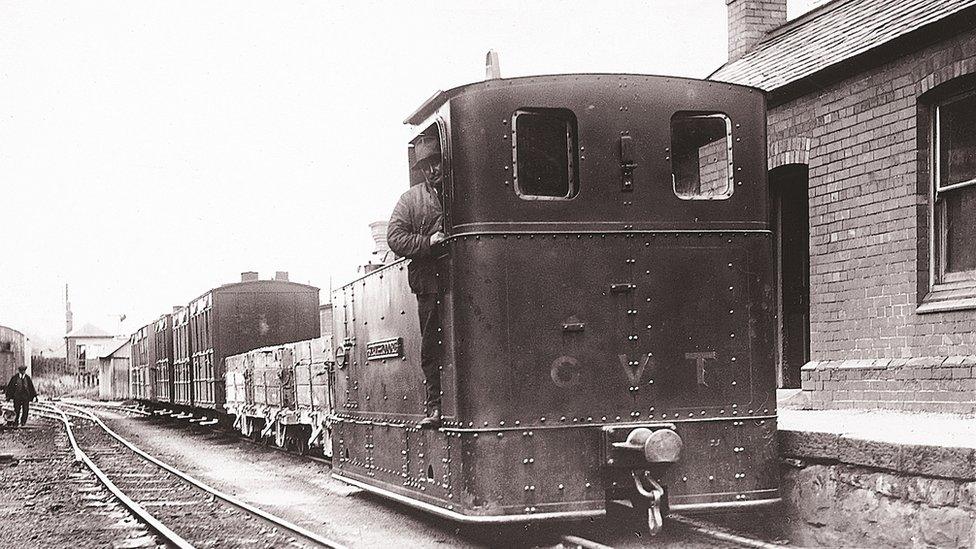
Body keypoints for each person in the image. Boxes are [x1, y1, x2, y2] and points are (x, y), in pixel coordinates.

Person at [387, 134, 446, 428]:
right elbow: (394, 237)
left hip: (461, 278)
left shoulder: (463, 190)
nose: (432, 171)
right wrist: (427, 242)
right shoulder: (410, 200)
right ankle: (435, 407)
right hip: (430, 281)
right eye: (426, 166)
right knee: (431, 346)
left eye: (436, 163)